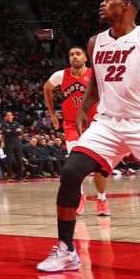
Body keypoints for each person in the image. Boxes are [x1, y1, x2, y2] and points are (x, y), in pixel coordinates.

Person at [38, 0, 140, 272]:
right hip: (108, 123)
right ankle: (66, 250)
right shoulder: (94, 42)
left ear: (127, 6)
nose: (103, 4)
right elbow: (96, 84)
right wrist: (85, 110)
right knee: (71, 172)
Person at [44, 46, 108, 215]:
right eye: (71, 54)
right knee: (74, 166)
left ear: (85, 58)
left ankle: (102, 199)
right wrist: (52, 113)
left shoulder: (96, 74)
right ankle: (80, 196)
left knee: (98, 167)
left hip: (96, 124)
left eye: (78, 54)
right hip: (72, 125)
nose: (74, 57)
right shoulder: (60, 75)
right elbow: (47, 88)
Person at [2, 111, 25, 182]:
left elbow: (19, 133)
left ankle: (20, 176)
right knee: (9, 160)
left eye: (10, 115)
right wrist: (14, 132)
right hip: (8, 144)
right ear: (6, 117)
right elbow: (5, 132)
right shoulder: (4, 124)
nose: (9, 116)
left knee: (19, 160)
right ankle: (9, 176)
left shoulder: (16, 123)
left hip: (16, 143)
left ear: (12, 116)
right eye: (7, 115)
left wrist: (10, 131)